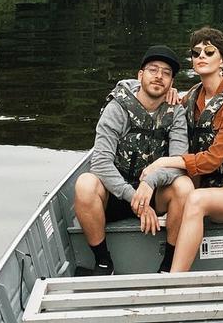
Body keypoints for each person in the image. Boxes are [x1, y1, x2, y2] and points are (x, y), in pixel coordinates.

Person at [140, 27, 223, 272]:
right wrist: (171, 94)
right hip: (211, 186)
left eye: (209, 52)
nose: (201, 56)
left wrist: (162, 163)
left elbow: (209, 162)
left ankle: (173, 280)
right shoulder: (194, 95)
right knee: (175, 190)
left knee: (196, 200)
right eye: (196, 52)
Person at [74, 45, 193, 275]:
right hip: (116, 195)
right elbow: (100, 163)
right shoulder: (117, 108)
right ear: (140, 75)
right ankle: (103, 262)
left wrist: (150, 183)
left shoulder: (176, 111)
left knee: (185, 186)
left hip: (154, 194)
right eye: (153, 70)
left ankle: (168, 265)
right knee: (85, 184)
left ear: (171, 83)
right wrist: (134, 198)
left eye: (166, 73)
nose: (159, 76)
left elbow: (178, 162)